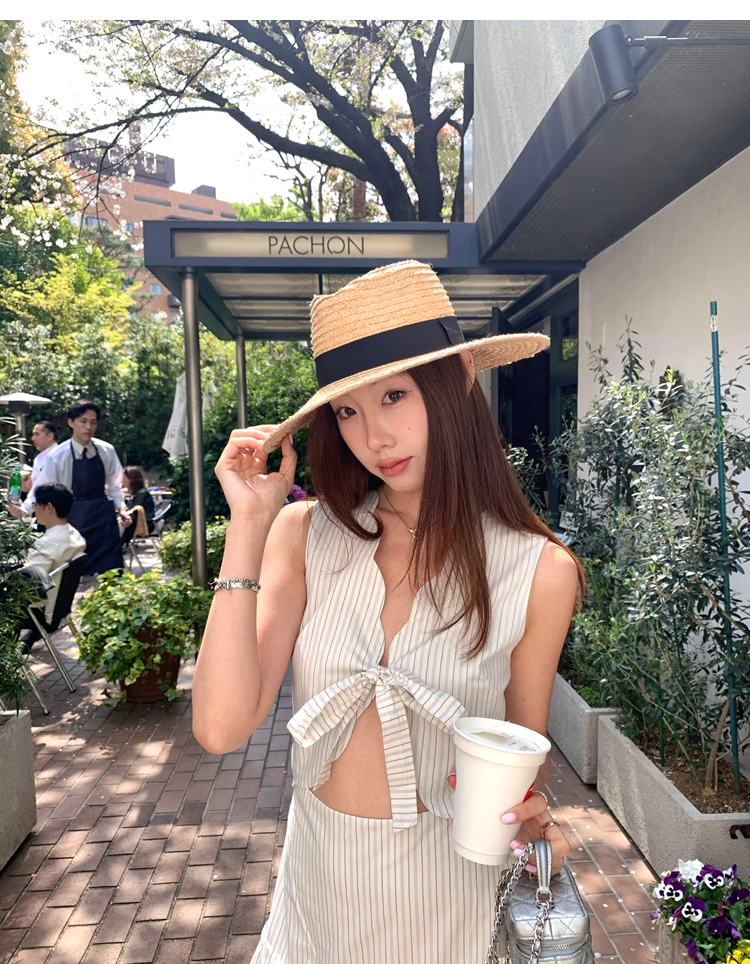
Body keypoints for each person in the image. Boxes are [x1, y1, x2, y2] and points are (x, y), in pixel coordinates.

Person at [192, 261, 582, 964]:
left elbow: (521, 752)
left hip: (446, 898)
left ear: (457, 378)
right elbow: (220, 727)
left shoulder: (539, 571)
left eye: (394, 395)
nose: (373, 436)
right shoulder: (305, 536)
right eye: (347, 411)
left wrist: (529, 810)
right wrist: (247, 525)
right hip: (317, 896)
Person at [34, 400, 126, 575]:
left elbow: (114, 487)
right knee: (75, 576)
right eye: (83, 421)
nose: (88, 427)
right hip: (74, 521)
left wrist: (122, 508)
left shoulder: (106, 451)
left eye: (93, 422)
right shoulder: (57, 456)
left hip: (103, 521)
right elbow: (42, 489)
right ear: (71, 422)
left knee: (112, 575)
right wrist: (23, 510)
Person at [20, 482, 86, 652]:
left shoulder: (47, 543)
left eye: (36, 505)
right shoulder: (74, 534)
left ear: (48, 507)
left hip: (40, 611)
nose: (34, 510)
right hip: (59, 607)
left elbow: (27, 584)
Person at [8, 420, 59, 519]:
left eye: (37, 434)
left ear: (50, 436)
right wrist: (24, 509)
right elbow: (36, 490)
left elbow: (40, 488)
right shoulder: (39, 459)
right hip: (44, 512)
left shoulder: (59, 456)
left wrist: (25, 508)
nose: (33, 438)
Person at [120, 466, 155, 545]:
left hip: (145, 524)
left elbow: (135, 511)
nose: (122, 480)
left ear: (132, 479)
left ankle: (121, 544)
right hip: (136, 523)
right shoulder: (135, 493)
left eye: (124, 478)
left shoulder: (142, 494)